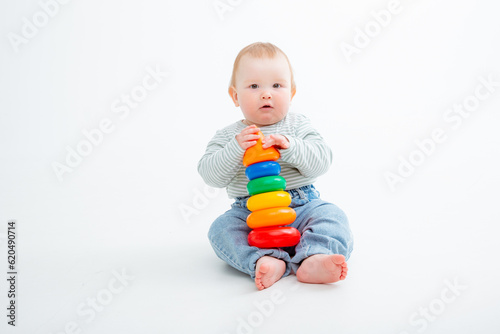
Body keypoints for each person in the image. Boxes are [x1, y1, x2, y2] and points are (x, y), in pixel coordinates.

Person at [197, 42, 353, 290]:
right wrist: (235, 149)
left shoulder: (298, 126)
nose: (266, 93)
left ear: (291, 93)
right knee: (220, 229)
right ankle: (265, 259)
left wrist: (290, 146)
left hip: (301, 207)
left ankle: (314, 257)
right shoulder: (229, 136)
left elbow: (322, 160)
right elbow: (209, 174)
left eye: (277, 85)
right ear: (235, 96)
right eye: (254, 86)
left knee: (332, 216)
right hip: (250, 215)